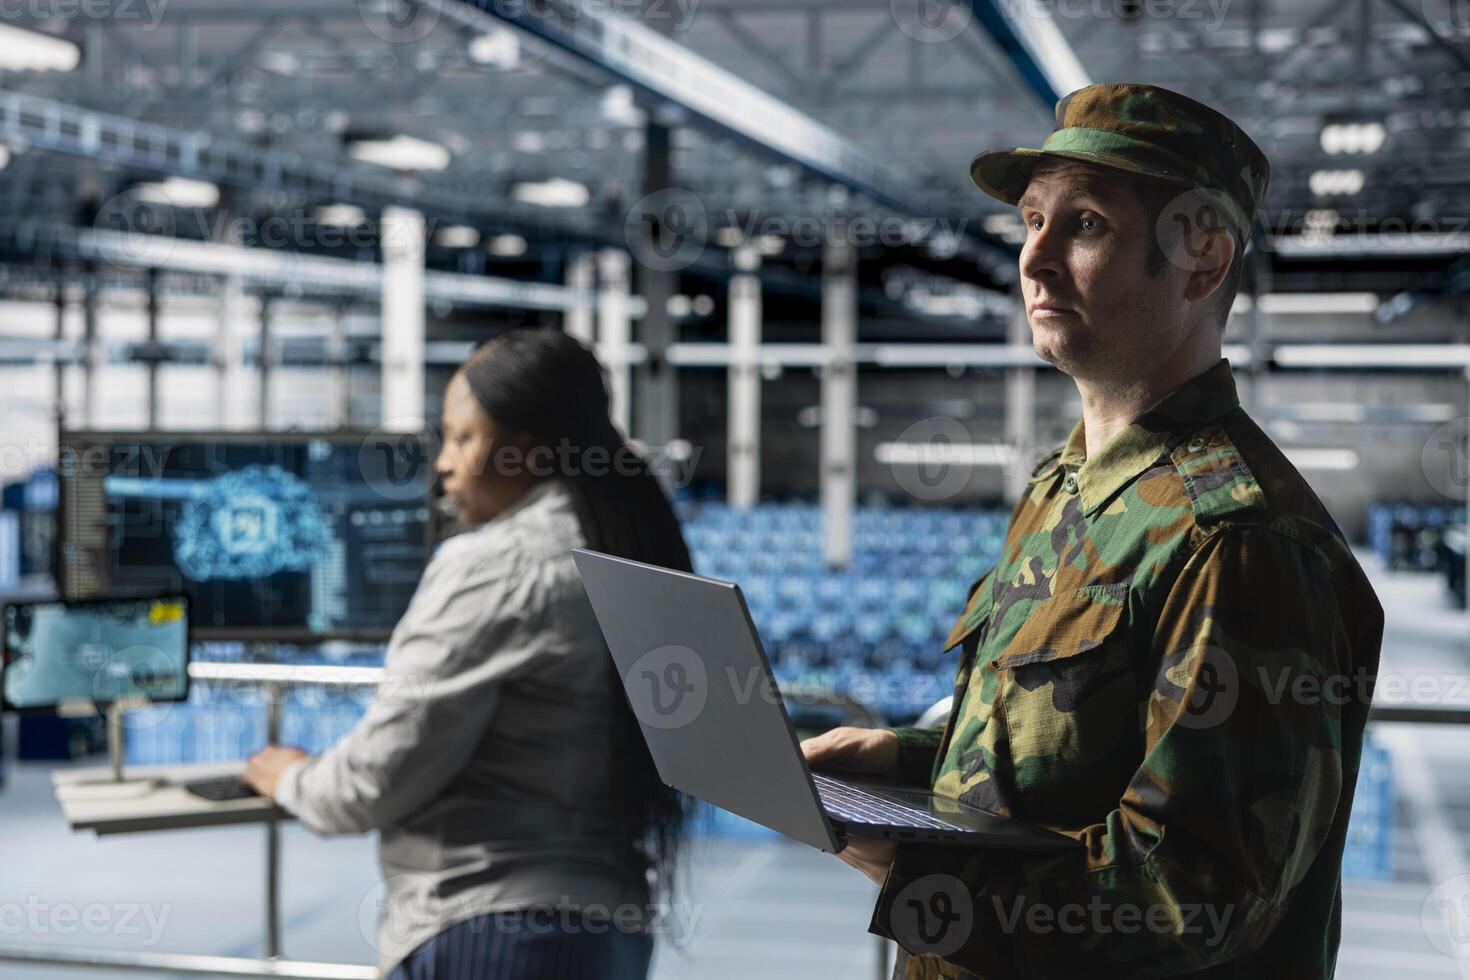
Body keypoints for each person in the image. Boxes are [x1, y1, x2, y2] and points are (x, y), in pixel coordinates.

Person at [802, 82, 1383, 979]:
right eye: (1032, 221)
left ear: (1201, 259)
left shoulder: (1238, 539)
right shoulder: (1064, 485)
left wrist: (926, 876)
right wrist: (909, 760)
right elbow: (1057, 763)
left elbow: (1193, 894)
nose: (1033, 260)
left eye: (1084, 225)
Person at [243, 327, 692, 979]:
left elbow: (374, 782)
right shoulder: (625, 544)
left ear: (523, 452)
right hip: (608, 932)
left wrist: (288, 776)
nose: (443, 465)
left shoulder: (495, 566)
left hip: (495, 932)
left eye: (461, 438)